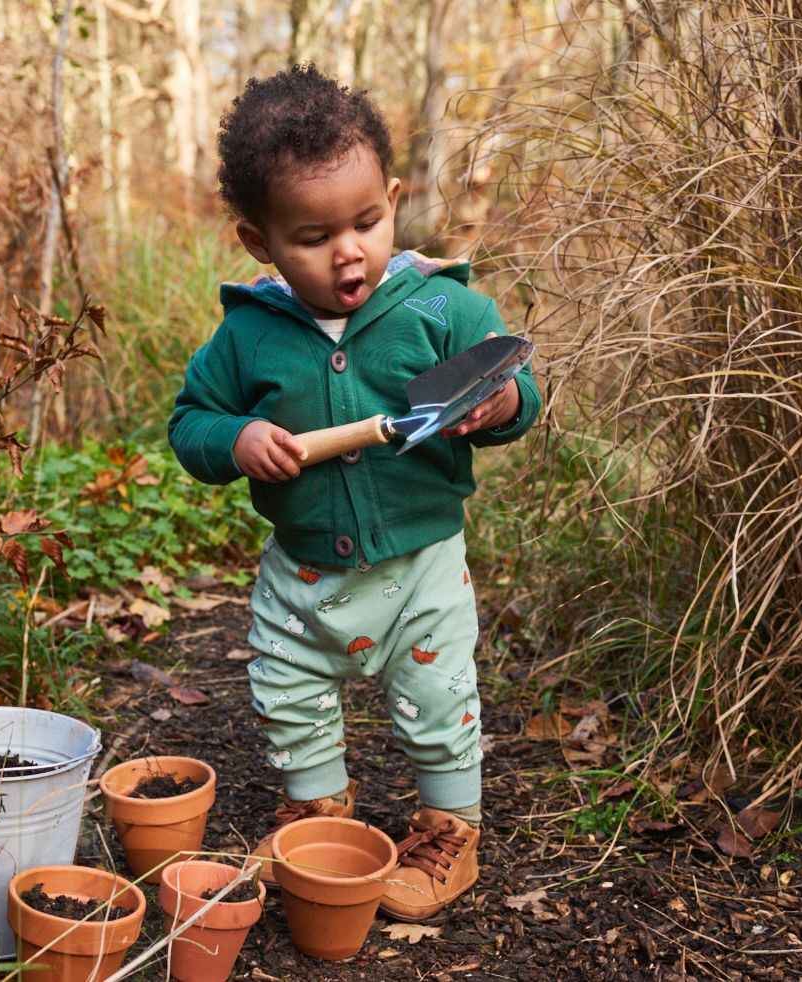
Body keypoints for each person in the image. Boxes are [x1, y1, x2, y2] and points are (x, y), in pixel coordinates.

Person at [167, 64, 540, 922]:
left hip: (421, 568)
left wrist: (504, 401)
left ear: (394, 199)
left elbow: (515, 386)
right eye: (312, 235)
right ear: (258, 240)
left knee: (438, 701)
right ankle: (316, 807)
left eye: (369, 222)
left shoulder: (442, 310)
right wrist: (236, 438)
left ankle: (450, 829)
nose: (350, 251)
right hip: (303, 575)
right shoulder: (248, 332)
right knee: (288, 689)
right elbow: (192, 422)